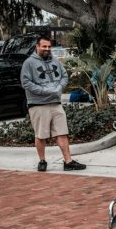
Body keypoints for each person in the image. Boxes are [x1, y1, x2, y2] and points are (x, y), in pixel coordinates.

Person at [20, 34, 86, 172]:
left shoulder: (55, 61)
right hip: (38, 105)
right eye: (44, 46)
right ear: (37, 47)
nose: (47, 49)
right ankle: (42, 161)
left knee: (62, 133)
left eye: (49, 46)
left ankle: (68, 162)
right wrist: (46, 91)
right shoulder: (29, 63)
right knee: (41, 135)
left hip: (56, 104)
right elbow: (26, 83)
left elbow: (64, 76)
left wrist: (59, 88)